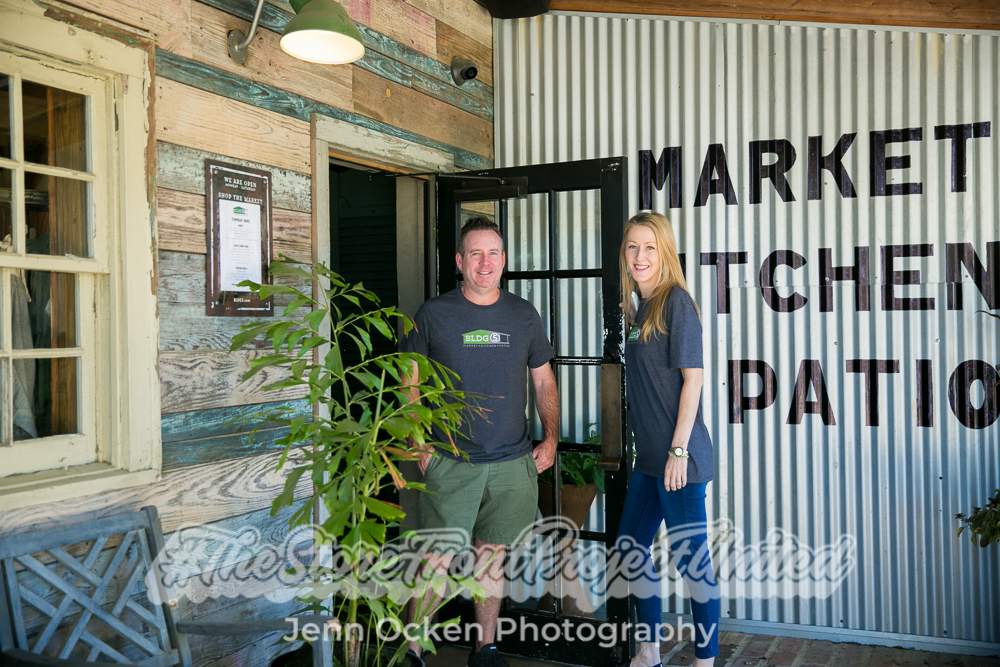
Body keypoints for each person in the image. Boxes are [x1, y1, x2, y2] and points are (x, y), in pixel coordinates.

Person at [400, 216, 559, 667]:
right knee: (436, 557)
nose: (484, 263)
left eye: (492, 253)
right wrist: (418, 443)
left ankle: (485, 649)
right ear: (459, 261)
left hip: (510, 461)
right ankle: (413, 651)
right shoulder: (433, 314)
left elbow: (544, 382)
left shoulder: (523, 315)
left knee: (491, 556)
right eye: (475, 253)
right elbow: (409, 382)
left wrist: (551, 438)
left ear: (503, 260)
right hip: (450, 460)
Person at [614, 211, 719, 667]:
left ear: (665, 253)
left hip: (680, 459)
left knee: (692, 561)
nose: (640, 256)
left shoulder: (677, 302)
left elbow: (693, 380)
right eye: (633, 246)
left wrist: (678, 451)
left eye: (650, 247)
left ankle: (705, 659)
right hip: (651, 458)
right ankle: (649, 651)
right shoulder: (640, 308)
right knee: (630, 547)